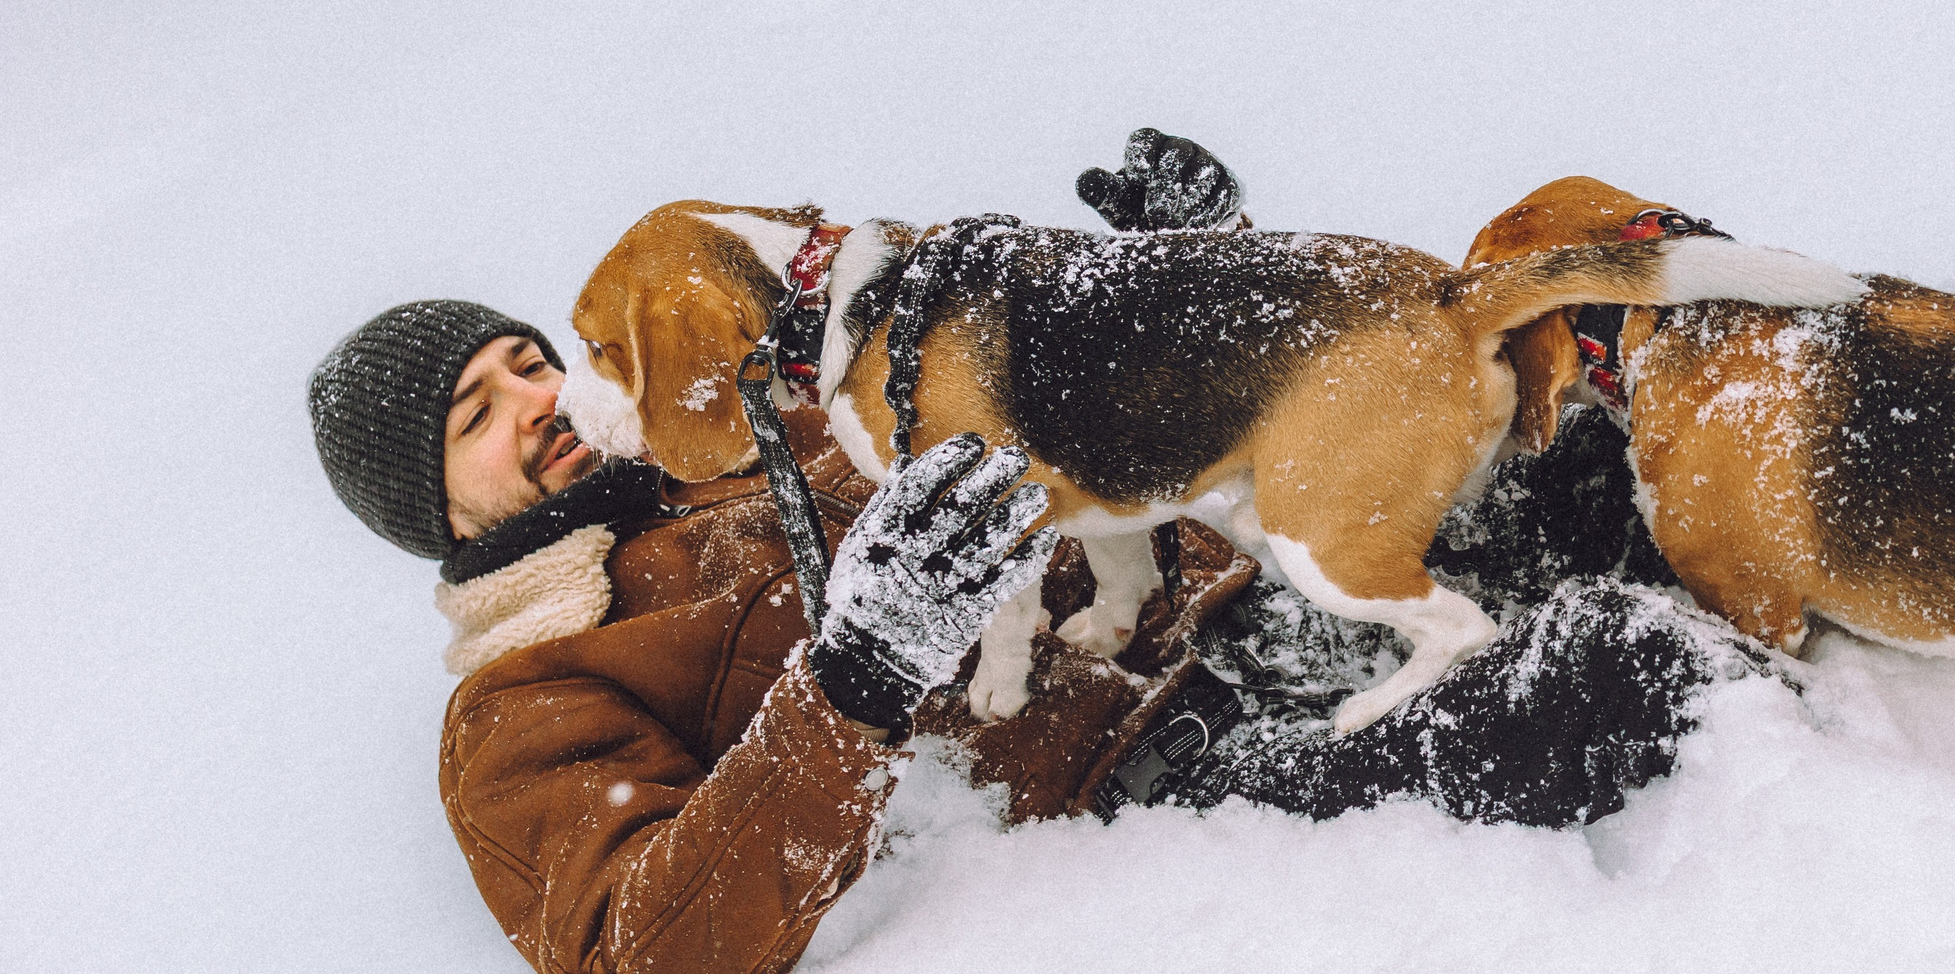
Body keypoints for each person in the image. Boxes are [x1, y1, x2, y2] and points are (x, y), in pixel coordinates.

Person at [309, 138, 1766, 974]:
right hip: (1162, 778)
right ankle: (1902, 777)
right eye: (475, 418)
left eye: (528, 365)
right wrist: (854, 683)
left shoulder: (786, 419)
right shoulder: (526, 704)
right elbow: (645, 953)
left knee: (1596, 453)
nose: (539, 405)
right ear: (428, 511)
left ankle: (1876, 466)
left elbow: (1086, 438)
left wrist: (1224, 306)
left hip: (1258, 589)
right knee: (1614, 675)